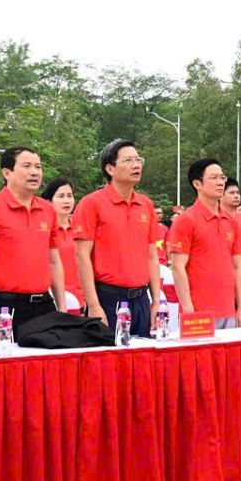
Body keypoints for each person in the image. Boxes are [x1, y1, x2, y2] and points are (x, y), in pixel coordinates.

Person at [0, 145, 67, 336]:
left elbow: (54, 261)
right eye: (27, 166)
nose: (34, 172)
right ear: (7, 173)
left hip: (44, 304)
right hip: (6, 306)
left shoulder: (47, 210)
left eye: (38, 167)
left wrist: (61, 308)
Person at [72, 140, 164, 336]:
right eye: (128, 160)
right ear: (110, 168)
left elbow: (151, 256)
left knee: (142, 361)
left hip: (141, 299)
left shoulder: (146, 205)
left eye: (139, 160)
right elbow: (82, 256)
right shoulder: (92, 204)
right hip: (108, 298)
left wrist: (156, 301)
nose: (136, 165)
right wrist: (94, 305)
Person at [169, 158, 241, 328]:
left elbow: (238, 266)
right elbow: (177, 267)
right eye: (214, 178)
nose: (220, 182)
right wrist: (188, 309)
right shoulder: (186, 220)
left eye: (222, 177)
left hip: (228, 310)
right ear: (197, 184)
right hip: (199, 311)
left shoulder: (230, 221)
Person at [45, 178, 84, 311]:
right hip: (56, 299)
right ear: (49, 201)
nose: (67, 200)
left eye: (70, 196)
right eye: (61, 196)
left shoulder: (81, 227)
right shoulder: (45, 230)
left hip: (83, 299)